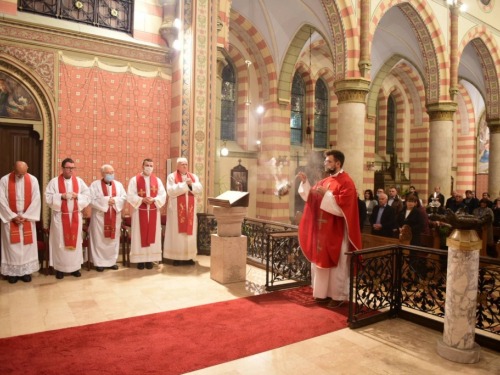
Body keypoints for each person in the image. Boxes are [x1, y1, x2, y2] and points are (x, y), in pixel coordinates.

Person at [297, 150, 361, 309]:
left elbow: (344, 207)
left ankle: (338, 296)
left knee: (336, 266)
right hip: (322, 232)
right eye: (325, 161)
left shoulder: (347, 182)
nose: (325, 164)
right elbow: (311, 198)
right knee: (321, 264)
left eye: (329, 161)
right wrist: (305, 184)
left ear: (338, 163)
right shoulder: (325, 181)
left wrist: (327, 195)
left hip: (336, 231)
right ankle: (321, 294)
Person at [45, 158, 91, 279]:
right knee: (60, 243)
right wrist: (61, 196)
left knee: (75, 242)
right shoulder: (54, 182)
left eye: (72, 168)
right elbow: (48, 198)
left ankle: (75, 267)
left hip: (75, 215)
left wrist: (78, 196)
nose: (71, 170)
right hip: (60, 217)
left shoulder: (79, 182)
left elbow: (88, 196)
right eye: (68, 168)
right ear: (62, 168)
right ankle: (60, 268)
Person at [0, 161, 41, 284]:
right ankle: (13, 273)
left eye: (23, 174)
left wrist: (26, 216)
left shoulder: (33, 180)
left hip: (27, 219)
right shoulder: (4, 180)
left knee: (27, 246)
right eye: (18, 174)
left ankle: (26, 272)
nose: (20, 176)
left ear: (27, 169)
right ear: (13, 169)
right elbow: (1, 200)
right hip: (10, 219)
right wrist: (12, 216)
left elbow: (36, 199)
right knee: (12, 247)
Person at [127, 159, 166, 270]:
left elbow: (162, 194)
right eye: (147, 165)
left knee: (153, 234)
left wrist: (154, 199)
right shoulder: (134, 180)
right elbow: (130, 195)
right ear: (142, 166)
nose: (149, 167)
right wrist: (142, 199)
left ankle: (149, 259)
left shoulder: (157, 180)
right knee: (139, 235)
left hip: (153, 211)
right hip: (140, 211)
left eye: (151, 166)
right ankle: (140, 260)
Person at [164, 158, 203, 266]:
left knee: (189, 234)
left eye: (186, 164)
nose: (185, 166)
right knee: (177, 234)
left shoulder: (193, 177)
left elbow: (199, 189)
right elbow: (171, 191)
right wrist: (185, 185)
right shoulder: (171, 176)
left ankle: (189, 257)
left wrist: (191, 185)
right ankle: (176, 257)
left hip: (189, 210)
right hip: (176, 211)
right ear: (177, 166)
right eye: (182, 164)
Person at [89, 164, 127, 272]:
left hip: (114, 216)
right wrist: (105, 201)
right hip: (99, 218)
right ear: (102, 174)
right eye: (108, 173)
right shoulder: (95, 185)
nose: (110, 175)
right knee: (99, 240)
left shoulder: (118, 185)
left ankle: (111, 262)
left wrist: (115, 201)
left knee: (112, 240)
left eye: (112, 172)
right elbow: (90, 199)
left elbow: (124, 198)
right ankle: (99, 262)